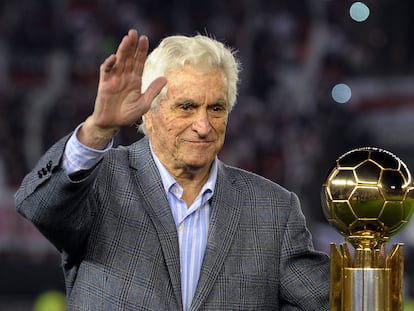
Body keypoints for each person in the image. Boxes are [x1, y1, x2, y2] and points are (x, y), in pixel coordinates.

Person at [15, 29, 329, 310]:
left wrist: (370, 271)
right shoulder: (99, 180)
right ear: (148, 113)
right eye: (187, 107)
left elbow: (322, 301)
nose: (204, 126)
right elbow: (38, 207)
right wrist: (97, 130)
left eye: (216, 109)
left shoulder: (274, 209)